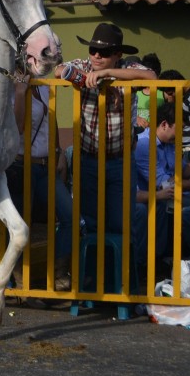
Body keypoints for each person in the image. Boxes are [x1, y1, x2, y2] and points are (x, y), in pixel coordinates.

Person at [55, 23, 156, 239]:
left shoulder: (128, 68)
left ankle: (117, 273)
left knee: (120, 225)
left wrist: (109, 74)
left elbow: (152, 77)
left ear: (118, 54)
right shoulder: (84, 65)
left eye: (105, 52)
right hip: (88, 160)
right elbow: (59, 70)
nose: (97, 56)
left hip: (120, 162)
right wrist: (84, 78)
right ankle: (90, 273)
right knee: (89, 225)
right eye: (93, 50)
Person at [133, 102, 190, 268]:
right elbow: (164, 184)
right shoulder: (145, 145)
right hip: (157, 198)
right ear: (165, 125)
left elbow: (182, 170)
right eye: (179, 128)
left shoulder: (169, 144)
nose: (181, 134)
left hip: (172, 195)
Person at [7, 79, 73, 290]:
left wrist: (59, 152)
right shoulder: (12, 88)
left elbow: (50, 122)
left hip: (46, 166)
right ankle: (20, 284)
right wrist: (19, 92)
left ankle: (58, 276)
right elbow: (17, 127)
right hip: (20, 165)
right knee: (20, 225)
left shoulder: (45, 86)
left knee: (70, 216)